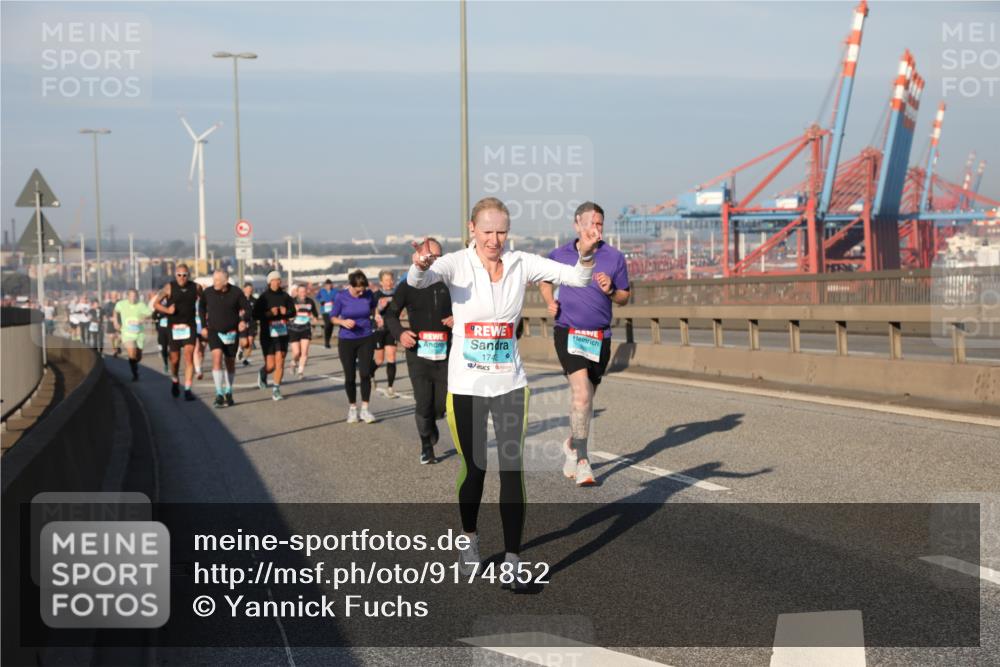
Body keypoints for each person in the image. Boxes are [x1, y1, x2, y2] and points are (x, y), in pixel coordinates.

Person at [407, 196, 600, 588]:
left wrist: (585, 251)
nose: (495, 239)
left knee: (512, 470)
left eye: (501, 232)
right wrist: (421, 263)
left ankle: (513, 559)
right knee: (475, 469)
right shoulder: (457, 263)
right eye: (488, 231)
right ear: (472, 229)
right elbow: (420, 280)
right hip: (466, 387)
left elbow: (578, 279)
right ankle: (469, 539)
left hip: (510, 384)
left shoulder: (520, 263)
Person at [539, 202, 631, 486]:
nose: (595, 228)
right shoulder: (560, 254)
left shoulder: (615, 257)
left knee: (587, 399)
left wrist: (611, 290)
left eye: (600, 223)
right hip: (568, 332)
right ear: (577, 224)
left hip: (600, 337)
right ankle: (582, 461)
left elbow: (625, 296)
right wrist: (549, 302)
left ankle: (572, 444)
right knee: (581, 395)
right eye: (590, 223)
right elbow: (543, 280)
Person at [384, 238, 453, 464]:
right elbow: (390, 314)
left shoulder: (452, 283)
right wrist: (400, 333)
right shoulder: (409, 285)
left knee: (442, 405)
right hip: (418, 352)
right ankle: (426, 446)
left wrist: (459, 318)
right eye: (430, 257)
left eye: (438, 257)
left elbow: (473, 309)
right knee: (423, 402)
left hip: (447, 353)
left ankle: (433, 420)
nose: (434, 261)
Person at [330, 270, 378, 424]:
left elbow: (373, 309)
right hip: (347, 340)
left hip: (366, 337)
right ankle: (352, 409)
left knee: (365, 373)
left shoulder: (368, 295)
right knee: (350, 376)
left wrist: (377, 315)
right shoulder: (341, 297)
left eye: (363, 288)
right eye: (358, 289)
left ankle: (365, 409)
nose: (361, 291)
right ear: (351, 285)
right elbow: (332, 317)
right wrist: (343, 322)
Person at [152, 263, 203, 401]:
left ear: (188, 275)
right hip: (173, 328)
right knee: (174, 360)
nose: (182, 278)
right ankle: (175, 380)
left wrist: (206, 316)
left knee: (188, 356)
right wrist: (167, 310)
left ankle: (187, 389)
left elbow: (204, 301)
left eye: (184, 275)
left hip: (189, 326)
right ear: (175, 275)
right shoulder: (169, 287)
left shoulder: (196, 287)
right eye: (179, 275)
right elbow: (155, 304)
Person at [199, 269, 249, 408]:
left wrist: (243, 321)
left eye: (217, 280)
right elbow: (201, 307)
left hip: (232, 332)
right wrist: (203, 325)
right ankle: (219, 394)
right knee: (216, 358)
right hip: (214, 331)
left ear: (225, 281)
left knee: (230, 363)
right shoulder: (208, 292)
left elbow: (248, 309)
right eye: (213, 279)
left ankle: (228, 391)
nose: (214, 282)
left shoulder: (236, 292)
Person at [253, 271, 295, 401]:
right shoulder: (263, 298)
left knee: (280, 360)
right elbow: (255, 315)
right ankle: (263, 372)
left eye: (279, 279)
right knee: (271, 365)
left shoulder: (286, 296)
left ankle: (276, 389)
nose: (277, 282)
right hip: (268, 334)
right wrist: (269, 313)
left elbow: (293, 312)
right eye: (275, 280)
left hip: (282, 333)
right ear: (269, 282)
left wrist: (286, 312)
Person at [113, 289, 153, 381]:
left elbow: (149, 314)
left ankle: (135, 364)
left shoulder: (141, 305)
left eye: (134, 296)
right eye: (131, 296)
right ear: (127, 296)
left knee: (138, 356)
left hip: (139, 333)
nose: (133, 298)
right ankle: (135, 374)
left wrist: (142, 319)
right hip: (127, 333)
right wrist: (115, 322)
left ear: (137, 296)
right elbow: (115, 311)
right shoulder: (121, 304)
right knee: (132, 353)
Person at [371, 270, 399, 398]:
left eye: (391, 280)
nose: (389, 283)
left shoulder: (398, 294)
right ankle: (370, 374)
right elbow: (373, 311)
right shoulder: (376, 295)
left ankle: (390, 388)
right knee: (379, 360)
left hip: (392, 329)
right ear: (381, 282)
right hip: (379, 329)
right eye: (386, 280)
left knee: (392, 357)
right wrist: (379, 310)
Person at [288, 284, 319, 380]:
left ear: (307, 292)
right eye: (300, 292)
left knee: (304, 352)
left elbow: (315, 315)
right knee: (297, 352)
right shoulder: (292, 302)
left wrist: (314, 318)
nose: (303, 293)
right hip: (294, 329)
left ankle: (300, 371)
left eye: (304, 291)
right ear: (297, 292)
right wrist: (294, 312)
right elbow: (287, 316)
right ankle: (293, 362)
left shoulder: (310, 302)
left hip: (305, 329)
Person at [237, 282, 257, 366]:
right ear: (244, 289)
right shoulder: (240, 300)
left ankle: (245, 359)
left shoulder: (254, 300)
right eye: (248, 289)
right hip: (243, 323)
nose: (249, 291)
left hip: (252, 323)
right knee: (245, 343)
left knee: (250, 342)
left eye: (251, 290)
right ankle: (240, 349)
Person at [316, 279, 338, 348]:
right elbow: (317, 297)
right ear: (325, 285)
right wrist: (321, 301)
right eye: (327, 285)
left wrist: (334, 302)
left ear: (331, 285)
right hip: (324, 310)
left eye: (330, 285)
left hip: (333, 310)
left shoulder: (335, 291)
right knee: (327, 324)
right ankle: (326, 342)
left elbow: (338, 298)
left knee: (331, 325)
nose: (328, 286)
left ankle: (328, 341)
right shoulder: (322, 291)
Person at [104, 292, 121, 357]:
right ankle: (114, 350)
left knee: (120, 337)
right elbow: (106, 312)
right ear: (111, 296)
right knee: (112, 337)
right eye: (113, 295)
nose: (115, 296)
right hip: (111, 322)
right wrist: (109, 318)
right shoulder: (108, 304)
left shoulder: (120, 303)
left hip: (119, 321)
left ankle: (117, 347)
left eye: (116, 295)